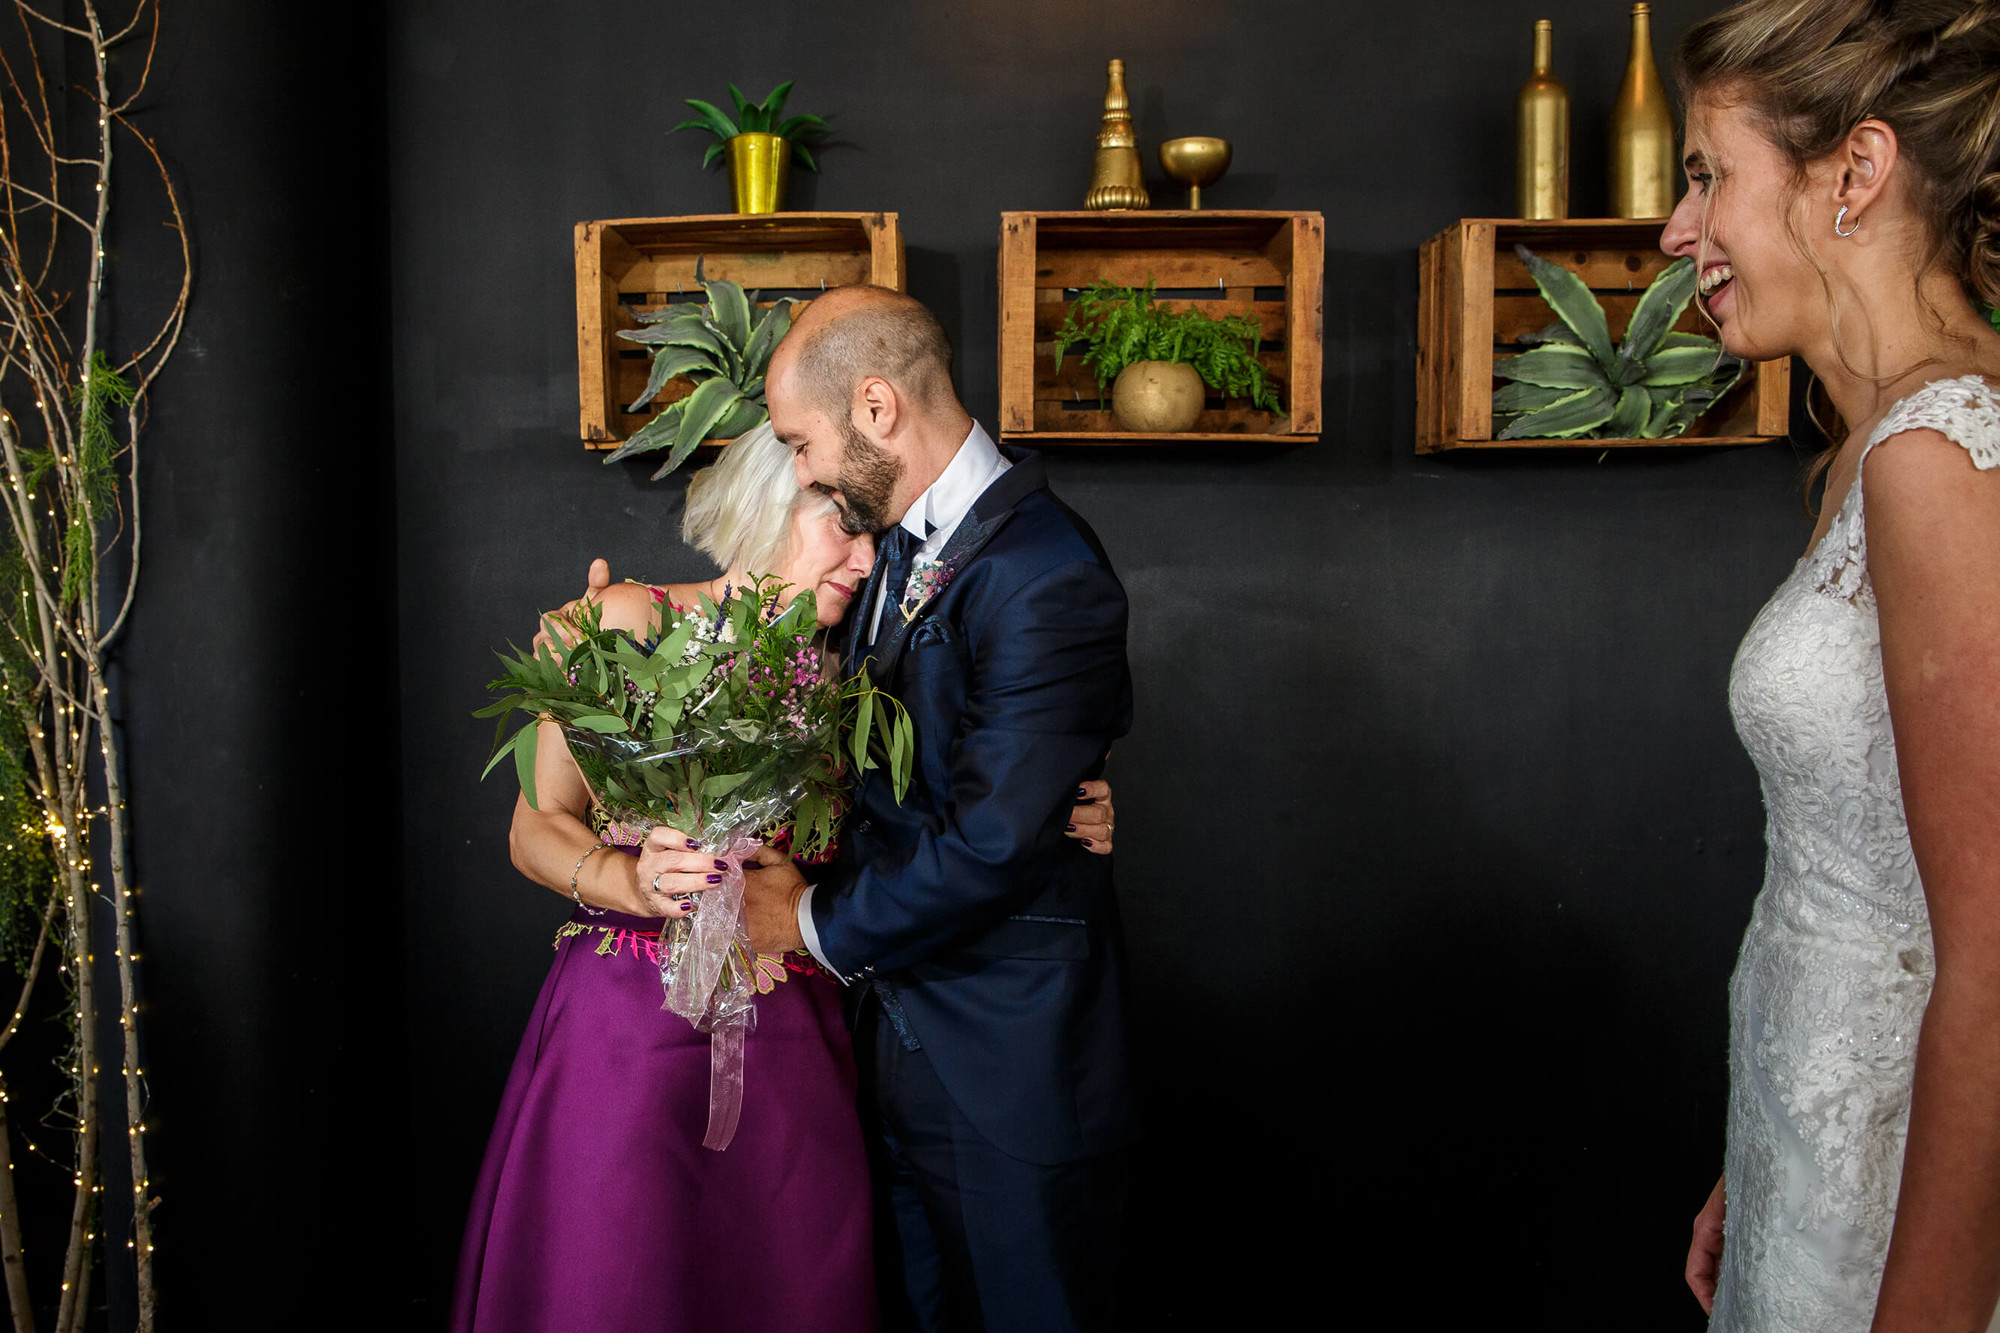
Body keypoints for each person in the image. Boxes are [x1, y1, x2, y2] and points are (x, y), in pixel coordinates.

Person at [450, 423, 1116, 1333]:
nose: (865, 555)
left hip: (793, 1035)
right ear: (772, 500)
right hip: (630, 1036)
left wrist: (1059, 805)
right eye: (841, 523)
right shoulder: (620, 621)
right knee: (624, 1281)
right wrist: (629, 877)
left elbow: (948, 821)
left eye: (875, 533)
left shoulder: (854, 683)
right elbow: (532, 828)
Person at [643, 286, 1139, 1332]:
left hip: (1005, 1062)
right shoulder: (890, 550)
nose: (801, 470)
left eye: (800, 441)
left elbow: (995, 839)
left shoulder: (1044, 570)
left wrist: (802, 921)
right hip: (878, 1037)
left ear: (875, 407)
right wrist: (603, 622)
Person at [1664, 3, 2000, 1329]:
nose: (1680, 234)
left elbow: (1992, 957)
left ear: (1853, 172)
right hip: (1824, 1158)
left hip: (1903, 1235)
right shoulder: (1864, 454)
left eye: (1707, 174)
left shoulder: (1939, 460)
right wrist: (1765, 1150)